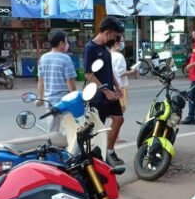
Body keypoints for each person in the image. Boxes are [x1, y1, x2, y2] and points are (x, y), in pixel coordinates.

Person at [83, 16, 125, 166]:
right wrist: (106, 91)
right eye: (114, 35)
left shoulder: (105, 48)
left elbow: (109, 69)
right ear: (107, 33)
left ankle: (110, 151)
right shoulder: (90, 48)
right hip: (97, 96)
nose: (114, 39)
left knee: (119, 119)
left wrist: (117, 86)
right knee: (97, 128)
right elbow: (88, 74)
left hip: (110, 92)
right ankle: (97, 159)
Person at [36, 29, 77, 133]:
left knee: (52, 132)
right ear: (61, 43)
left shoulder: (43, 58)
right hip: (64, 101)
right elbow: (70, 82)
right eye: (66, 41)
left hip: (49, 102)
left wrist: (40, 98)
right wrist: (75, 98)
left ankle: (53, 143)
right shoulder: (66, 59)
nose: (67, 44)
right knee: (71, 129)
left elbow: (40, 81)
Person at [111, 34, 134, 143]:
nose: (123, 44)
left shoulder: (108, 54)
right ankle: (115, 136)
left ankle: (113, 135)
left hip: (111, 86)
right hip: (120, 86)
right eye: (122, 41)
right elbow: (121, 72)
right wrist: (131, 71)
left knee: (114, 113)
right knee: (119, 113)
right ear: (116, 43)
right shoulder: (119, 56)